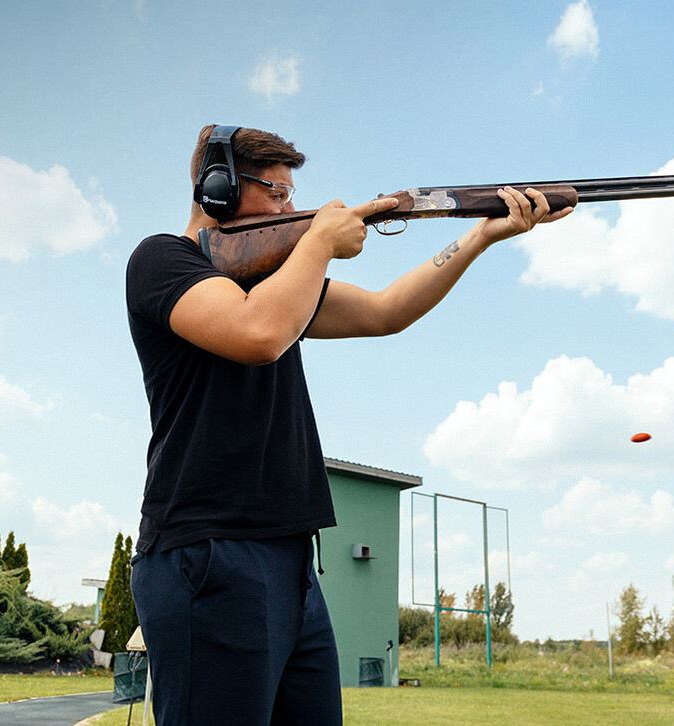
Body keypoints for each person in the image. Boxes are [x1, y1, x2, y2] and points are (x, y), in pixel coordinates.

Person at [123, 125, 570, 725]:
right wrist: (320, 242)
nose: (291, 208)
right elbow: (257, 335)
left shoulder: (277, 280)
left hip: (292, 560)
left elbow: (387, 311)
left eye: (291, 196)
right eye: (277, 194)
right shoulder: (161, 259)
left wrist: (481, 236)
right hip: (208, 552)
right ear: (219, 187)